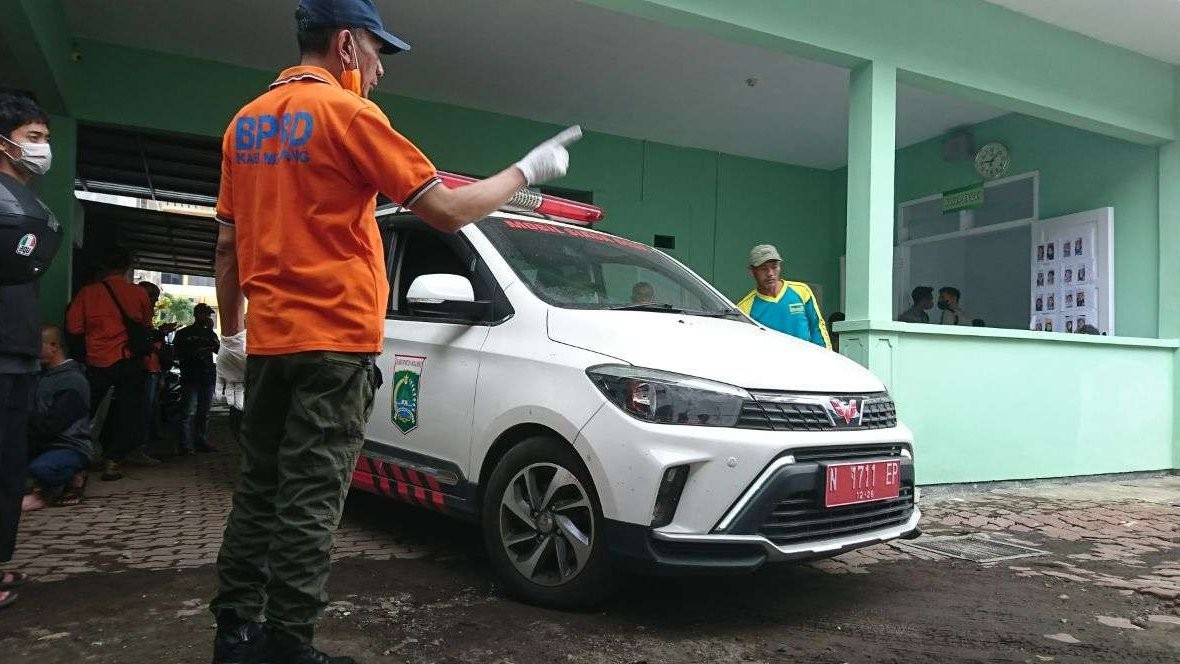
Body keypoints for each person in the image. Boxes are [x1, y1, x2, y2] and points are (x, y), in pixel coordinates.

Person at [208, 2, 584, 661]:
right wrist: (526, 172)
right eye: (380, 54)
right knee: (311, 503)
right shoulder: (350, 116)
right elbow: (445, 210)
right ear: (347, 45)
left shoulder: (243, 126)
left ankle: (235, 636)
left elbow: (227, 249)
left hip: (269, 345)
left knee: (260, 492)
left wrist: (232, 338)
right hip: (333, 346)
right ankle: (288, 647)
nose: (381, 71)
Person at [0, 90, 60, 611]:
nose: (44, 150)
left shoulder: (24, 201)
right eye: (34, 139)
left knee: (7, 460)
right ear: (4, 143)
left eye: (45, 139)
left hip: (16, 349)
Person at [65, 246, 156, 480]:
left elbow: (74, 327)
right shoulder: (138, 294)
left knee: (85, 411)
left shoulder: (87, 293)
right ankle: (113, 463)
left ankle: (73, 461)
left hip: (97, 361)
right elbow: (146, 326)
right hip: (129, 361)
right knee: (127, 412)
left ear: (103, 266)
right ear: (127, 266)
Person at [22, 326, 93, 512]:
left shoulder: (73, 381)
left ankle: (69, 479)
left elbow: (54, 423)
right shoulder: (40, 377)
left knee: (41, 469)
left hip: (68, 445)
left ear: (54, 346)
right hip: (42, 442)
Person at [736, 244, 831, 349]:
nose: (770, 273)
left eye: (774, 267)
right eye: (763, 269)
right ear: (752, 272)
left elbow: (817, 327)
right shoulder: (744, 309)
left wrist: (825, 358)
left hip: (805, 361)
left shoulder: (802, 291)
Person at [174, 303, 219, 455]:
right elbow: (178, 354)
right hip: (191, 376)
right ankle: (185, 444)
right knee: (188, 412)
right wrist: (196, 351)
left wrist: (211, 333)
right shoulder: (184, 333)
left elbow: (219, 350)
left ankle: (200, 441)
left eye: (208, 315)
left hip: (207, 376)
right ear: (196, 314)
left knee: (204, 412)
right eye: (205, 314)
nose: (207, 317)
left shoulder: (210, 334)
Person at [138, 281, 176, 447]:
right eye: (152, 297)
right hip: (143, 370)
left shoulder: (146, 317)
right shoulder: (137, 315)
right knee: (144, 409)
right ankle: (140, 445)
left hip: (153, 369)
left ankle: (145, 441)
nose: (153, 302)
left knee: (150, 407)